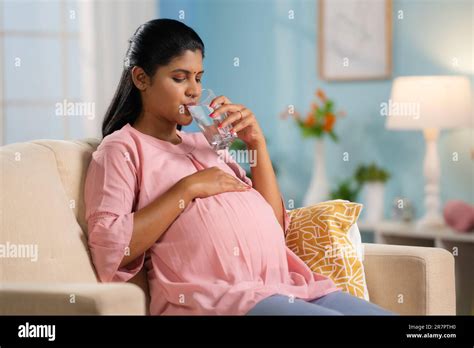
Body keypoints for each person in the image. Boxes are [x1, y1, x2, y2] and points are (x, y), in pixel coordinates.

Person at [84, 18, 394, 316]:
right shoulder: (122, 149)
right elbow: (111, 248)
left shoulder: (206, 143)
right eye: (180, 77)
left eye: (199, 77)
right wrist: (188, 188)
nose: (193, 90)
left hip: (287, 285)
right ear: (141, 78)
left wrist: (256, 144)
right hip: (214, 298)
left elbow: (274, 227)